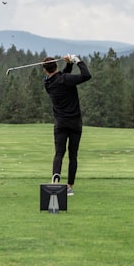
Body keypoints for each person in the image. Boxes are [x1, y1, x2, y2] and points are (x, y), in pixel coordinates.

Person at [42, 54, 91, 196]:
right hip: (75, 123)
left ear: (45, 70)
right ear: (56, 66)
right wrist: (77, 61)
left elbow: (61, 78)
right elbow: (86, 75)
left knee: (59, 153)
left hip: (60, 124)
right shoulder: (65, 79)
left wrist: (69, 65)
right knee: (73, 155)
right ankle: (69, 187)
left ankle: (55, 181)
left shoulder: (48, 83)